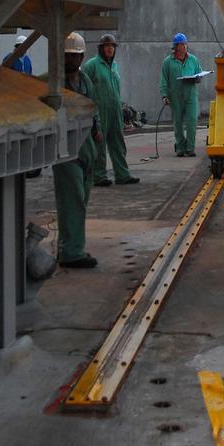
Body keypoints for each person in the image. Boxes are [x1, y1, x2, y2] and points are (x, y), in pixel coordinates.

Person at [53, 32, 104, 269]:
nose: (72, 60)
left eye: (76, 56)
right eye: (69, 56)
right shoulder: (54, 84)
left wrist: (97, 129)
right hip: (66, 149)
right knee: (71, 199)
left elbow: (94, 109)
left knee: (80, 199)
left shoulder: (85, 82)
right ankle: (71, 251)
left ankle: (71, 245)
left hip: (86, 148)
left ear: (82, 56)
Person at [83, 33, 139, 187]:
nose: (110, 49)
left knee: (118, 142)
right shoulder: (91, 65)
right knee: (99, 144)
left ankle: (122, 174)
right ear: (101, 48)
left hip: (115, 110)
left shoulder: (114, 66)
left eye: (112, 46)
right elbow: (83, 88)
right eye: (107, 46)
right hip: (99, 111)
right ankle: (99, 176)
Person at [160, 32, 203, 157]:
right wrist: (164, 95)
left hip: (191, 95)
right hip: (175, 96)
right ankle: (180, 147)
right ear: (175, 47)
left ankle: (190, 148)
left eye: (185, 44)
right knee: (178, 123)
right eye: (181, 44)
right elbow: (163, 80)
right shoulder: (168, 62)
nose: (184, 47)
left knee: (192, 121)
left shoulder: (193, 59)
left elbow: (199, 73)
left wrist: (197, 78)